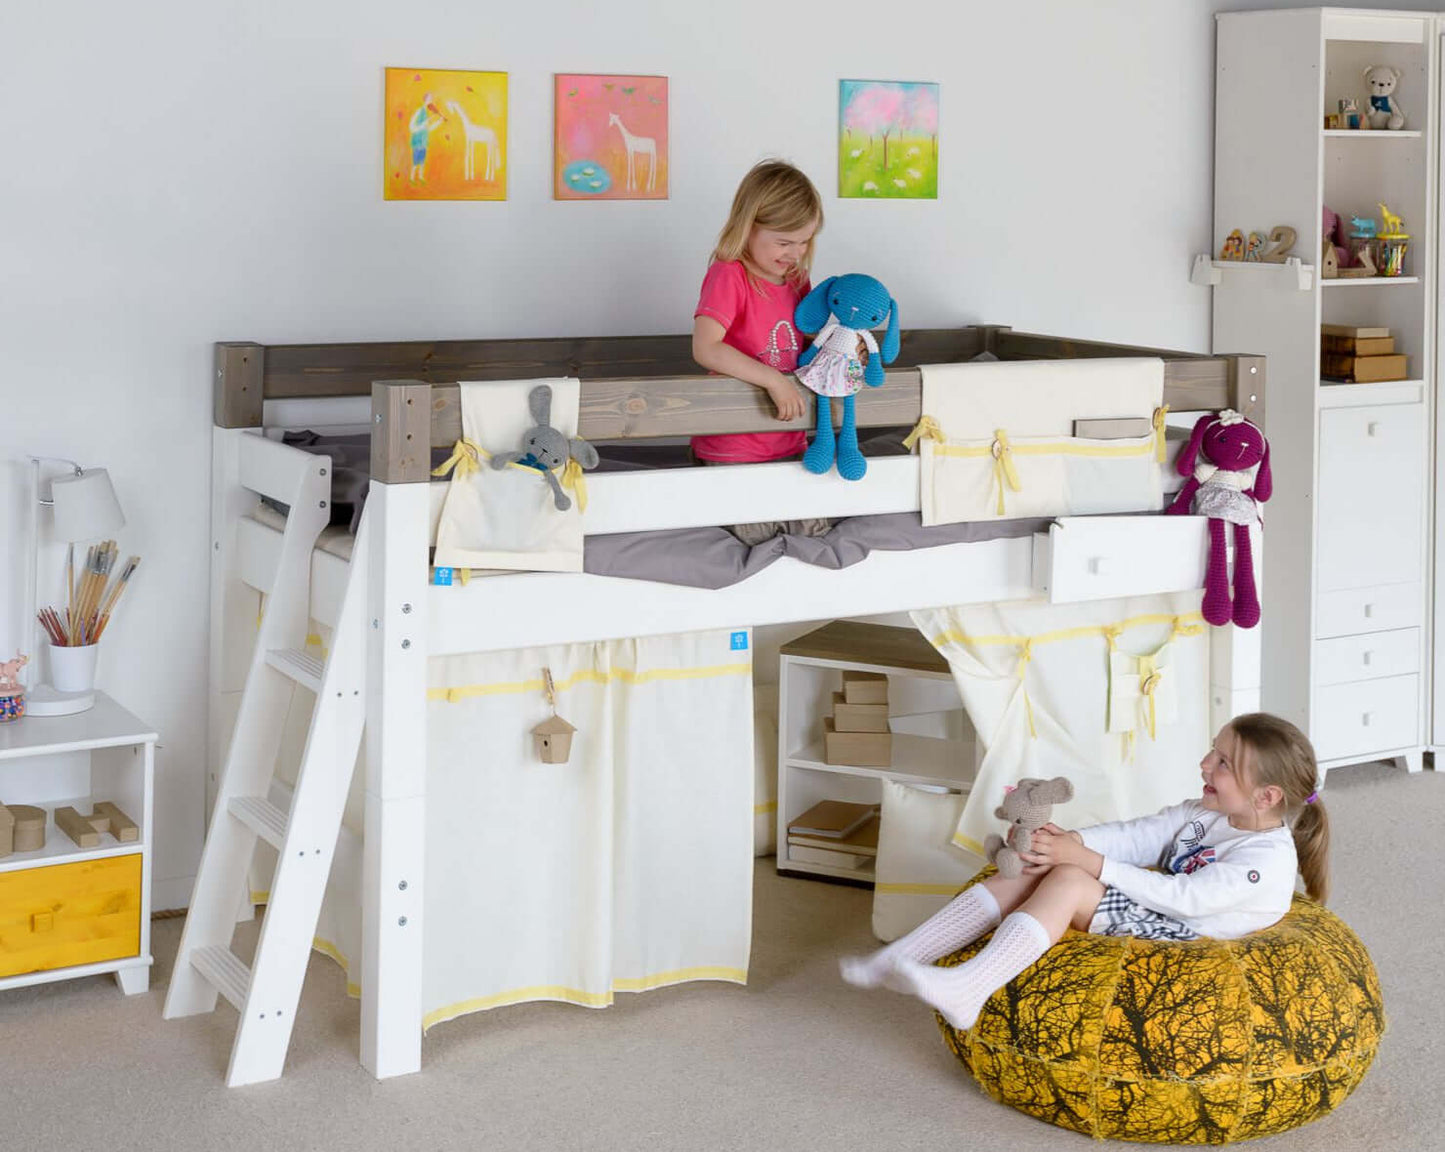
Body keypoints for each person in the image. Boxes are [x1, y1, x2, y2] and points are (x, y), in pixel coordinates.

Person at [841, 713, 1329, 1030]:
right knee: (1040, 867)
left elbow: (1187, 900)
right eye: (1212, 750)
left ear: (1266, 798)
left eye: (1222, 763)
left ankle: (971, 987)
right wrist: (1071, 843)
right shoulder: (1206, 813)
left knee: (1071, 881)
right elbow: (1139, 834)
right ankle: (904, 955)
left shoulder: (1265, 862)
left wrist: (1088, 865)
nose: (1204, 763)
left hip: (1189, 933)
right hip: (1162, 907)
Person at [691, 160, 831, 546]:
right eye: (784, 242)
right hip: (735, 442)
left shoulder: (797, 280)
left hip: (788, 439)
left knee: (811, 535)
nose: (796, 252)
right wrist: (772, 379)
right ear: (749, 226)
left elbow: (810, 344)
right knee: (754, 536)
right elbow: (706, 347)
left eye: (804, 242)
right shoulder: (730, 274)